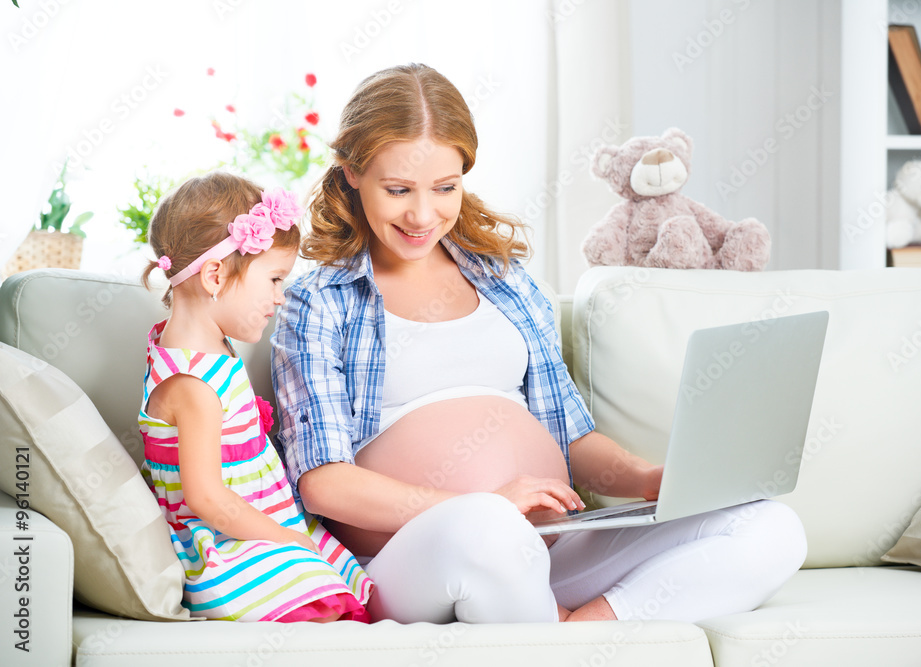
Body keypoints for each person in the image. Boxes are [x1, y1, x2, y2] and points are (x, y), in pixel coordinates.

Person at [271, 63, 807, 624]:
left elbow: (572, 437)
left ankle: (581, 631)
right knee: (487, 531)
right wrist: (482, 506)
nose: (423, 214)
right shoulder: (320, 301)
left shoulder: (504, 280)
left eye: (445, 188)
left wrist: (651, 479)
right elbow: (323, 483)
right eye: (399, 189)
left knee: (770, 527)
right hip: (415, 557)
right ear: (353, 173)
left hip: (546, 547)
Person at [138, 171, 373, 622]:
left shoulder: (207, 349)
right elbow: (207, 499)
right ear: (214, 275)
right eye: (274, 279)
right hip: (227, 545)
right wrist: (288, 541)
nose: (280, 298)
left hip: (265, 518)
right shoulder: (193, 386)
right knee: (321, 595)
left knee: (356, 582)